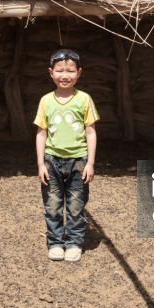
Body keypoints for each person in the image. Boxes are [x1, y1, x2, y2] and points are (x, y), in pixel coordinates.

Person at [34, 48, 99, 263]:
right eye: (60, 70)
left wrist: (90, 162)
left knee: (75, 205)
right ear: (50, 73)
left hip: (78, 161)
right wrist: (40, 164)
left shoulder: (84, 99)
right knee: (52, 205)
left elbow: (90, 132)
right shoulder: (46, 101)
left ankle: (73, 242)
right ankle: (55, 242)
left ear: (79, 73)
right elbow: (41, 133)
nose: (65, 75)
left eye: (70, 71)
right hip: (51, 161)